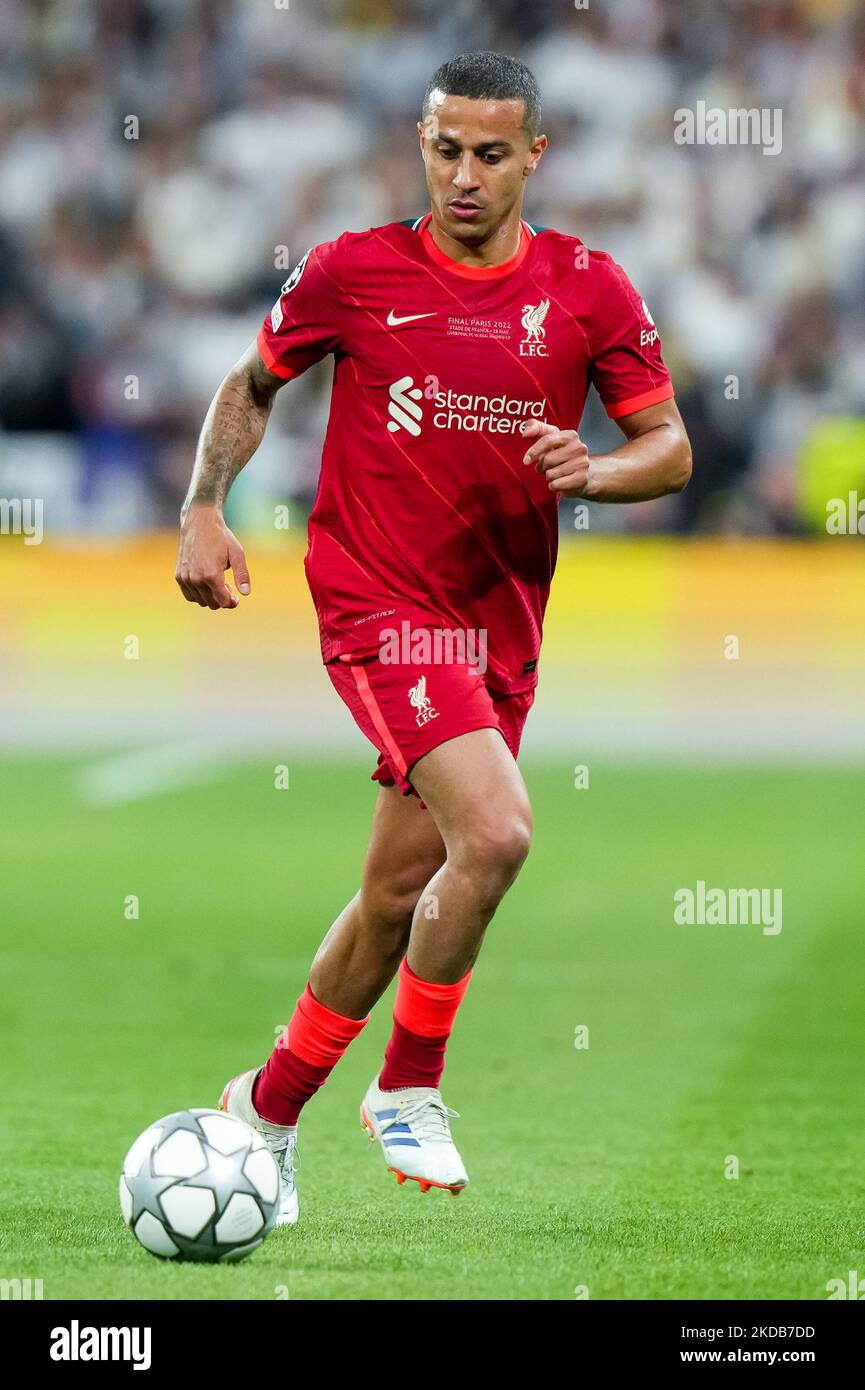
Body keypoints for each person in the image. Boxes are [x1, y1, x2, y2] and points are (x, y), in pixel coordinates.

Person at [175, 50, 691, 1224]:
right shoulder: (353, 270)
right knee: (498, 832)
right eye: (445, 149)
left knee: (402, 891)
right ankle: (407, 1084)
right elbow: (253, 382)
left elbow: (669, 446)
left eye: (490, 154)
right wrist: (204, 504)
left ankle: (262, 1112)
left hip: (499, 625)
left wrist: (595, 470)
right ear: (422, 143)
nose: (463, 175)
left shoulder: (589, 289)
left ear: (534, 156)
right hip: (379, 605)